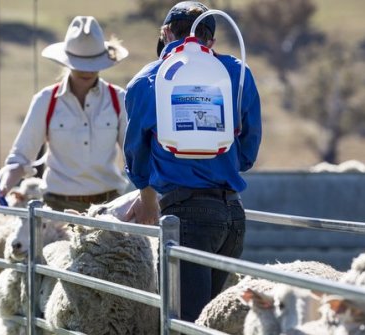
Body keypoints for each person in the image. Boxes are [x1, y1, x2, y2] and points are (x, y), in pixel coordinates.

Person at [123, 1, 262, 322]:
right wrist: (220, 163)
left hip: (185, 218)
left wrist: (145, 192)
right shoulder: (238, 73)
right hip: (232, 218)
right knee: (218, 324)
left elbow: (135, 150)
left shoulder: (147, 80)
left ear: (166, 32)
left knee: (184, 323)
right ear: (210, 40)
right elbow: (248, 151)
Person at [0, 16, 129, 213]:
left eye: (92, 63)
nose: (87, 71)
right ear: (67, 61)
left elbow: (134, 154)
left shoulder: (119, 99)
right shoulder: (45, 100)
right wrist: (1, 188)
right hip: (57, 209)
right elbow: (20, 158)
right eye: (80, 63)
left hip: (108, 208)